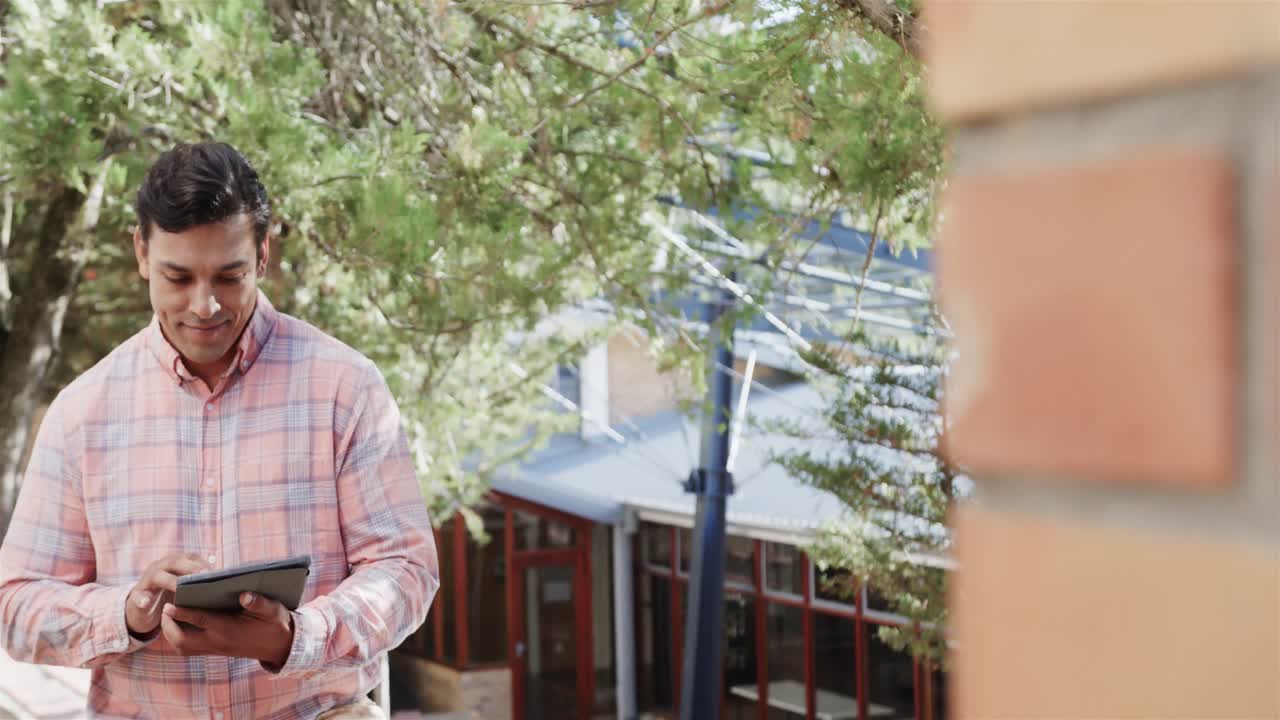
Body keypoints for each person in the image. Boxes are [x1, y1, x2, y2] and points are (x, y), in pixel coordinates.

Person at [0, 141, 439, 719]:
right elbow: (16, 607)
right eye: (177, 277)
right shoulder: (81, 413)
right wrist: (127, 613)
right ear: (140, 252)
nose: (204, 306)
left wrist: (296, 637)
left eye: (228, 277)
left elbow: (406, 571)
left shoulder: (345, 388)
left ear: (262, 254)